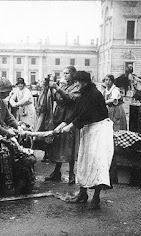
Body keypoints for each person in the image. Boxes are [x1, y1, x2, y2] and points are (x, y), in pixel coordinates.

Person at [59, 71, 114, 210]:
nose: (75, 84)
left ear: (84, 82)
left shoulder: (95, 95)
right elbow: (76, 113)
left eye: (77, 82)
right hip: (88, 130)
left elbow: (86, 114)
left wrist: (71, 126)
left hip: (100, 130)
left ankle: (96, 196)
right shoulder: (82, 95)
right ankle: (83, 193)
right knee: (84, 161)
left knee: (98, 163)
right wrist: (63, 124)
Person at [44, 66, 81, 184]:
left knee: (70, 144)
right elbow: (58, 98)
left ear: (73, 75)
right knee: (58, 144)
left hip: (69, 116)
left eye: (67, 73)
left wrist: (57, 88)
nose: (64, 75)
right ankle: (56, 171)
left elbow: (70, 98)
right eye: (63, 73)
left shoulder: (76, 87)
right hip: (59, 115)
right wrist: (49, 88)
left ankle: (71, 173)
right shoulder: (64, 85)